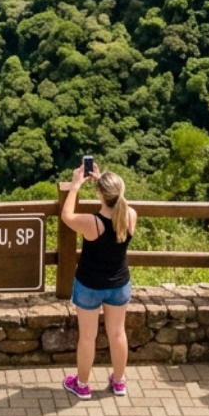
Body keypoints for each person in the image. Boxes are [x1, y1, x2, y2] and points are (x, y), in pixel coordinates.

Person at [59, 163, 137, 400]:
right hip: (119, 284)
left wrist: (75, 186)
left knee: (87, 337)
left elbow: (66, 216)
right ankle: (119, 382)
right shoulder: (130, 215)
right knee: (117, 333)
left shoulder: (92, 224)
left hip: (90, 285)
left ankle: (82, 385)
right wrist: (102, 180)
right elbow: (116, 200)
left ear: (100, 195)